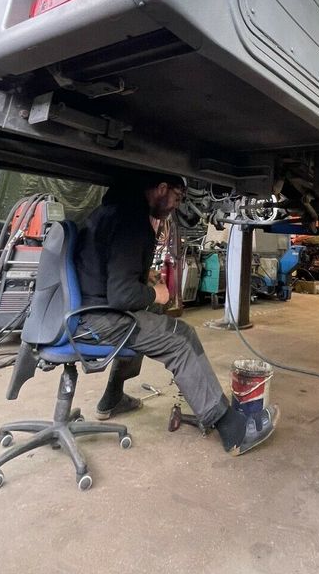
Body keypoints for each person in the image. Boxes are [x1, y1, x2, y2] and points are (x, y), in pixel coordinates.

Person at [74, 171, 279, 456]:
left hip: (83, 311)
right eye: (178, 198)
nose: (176, 206)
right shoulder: (133, 221)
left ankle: (112, 398)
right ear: (161, 188)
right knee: (180, 336)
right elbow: (121, 296)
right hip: (98, 319)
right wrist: (155, 293)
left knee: (150, 322)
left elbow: (107, 268)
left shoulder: (110, 210)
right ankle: (233, 430)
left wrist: (141, 279)